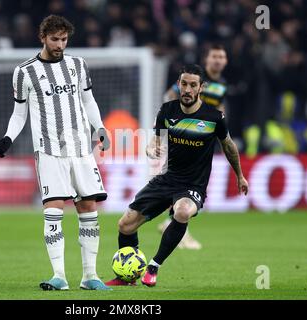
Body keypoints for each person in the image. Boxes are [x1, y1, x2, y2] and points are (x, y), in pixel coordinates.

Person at [0, 15, 111, 291]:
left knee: (88, 208)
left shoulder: (78, 65)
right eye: (54, 39)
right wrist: (8, 138)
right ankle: (59, 276)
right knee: (53, 210)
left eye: (64, 39)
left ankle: (90, 276)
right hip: (49, 151)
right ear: (42, 37)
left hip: (80, 149)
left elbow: (88, 100)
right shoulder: (24, 71)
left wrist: (100, 127)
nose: (60, 44)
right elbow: (20, 113)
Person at [106, 64, 248, 287]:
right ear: (179, 85)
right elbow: (155, 141)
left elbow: (228, 146)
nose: (187, 90)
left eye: (193, 85)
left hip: (193, 184)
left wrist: (240, 175)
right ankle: (127, 276)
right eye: (184, 84)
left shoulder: (214, 117)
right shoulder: (167, 110)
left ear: (201, 87)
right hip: (168, 179)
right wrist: (151, 148)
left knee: (182, 212)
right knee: (125, 225)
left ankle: (154, 266)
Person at [160, 44, 228, 250]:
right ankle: (179, 230)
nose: (218, 60)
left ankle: (172, 224)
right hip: (182, 137)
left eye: (222, 56)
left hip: (203, 141)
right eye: (214, 56)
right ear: (207, 59)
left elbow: (219, 111)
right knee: (180, 180)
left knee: (195, 182)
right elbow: (168, 97)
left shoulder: (222, 85)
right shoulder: (192, 78)